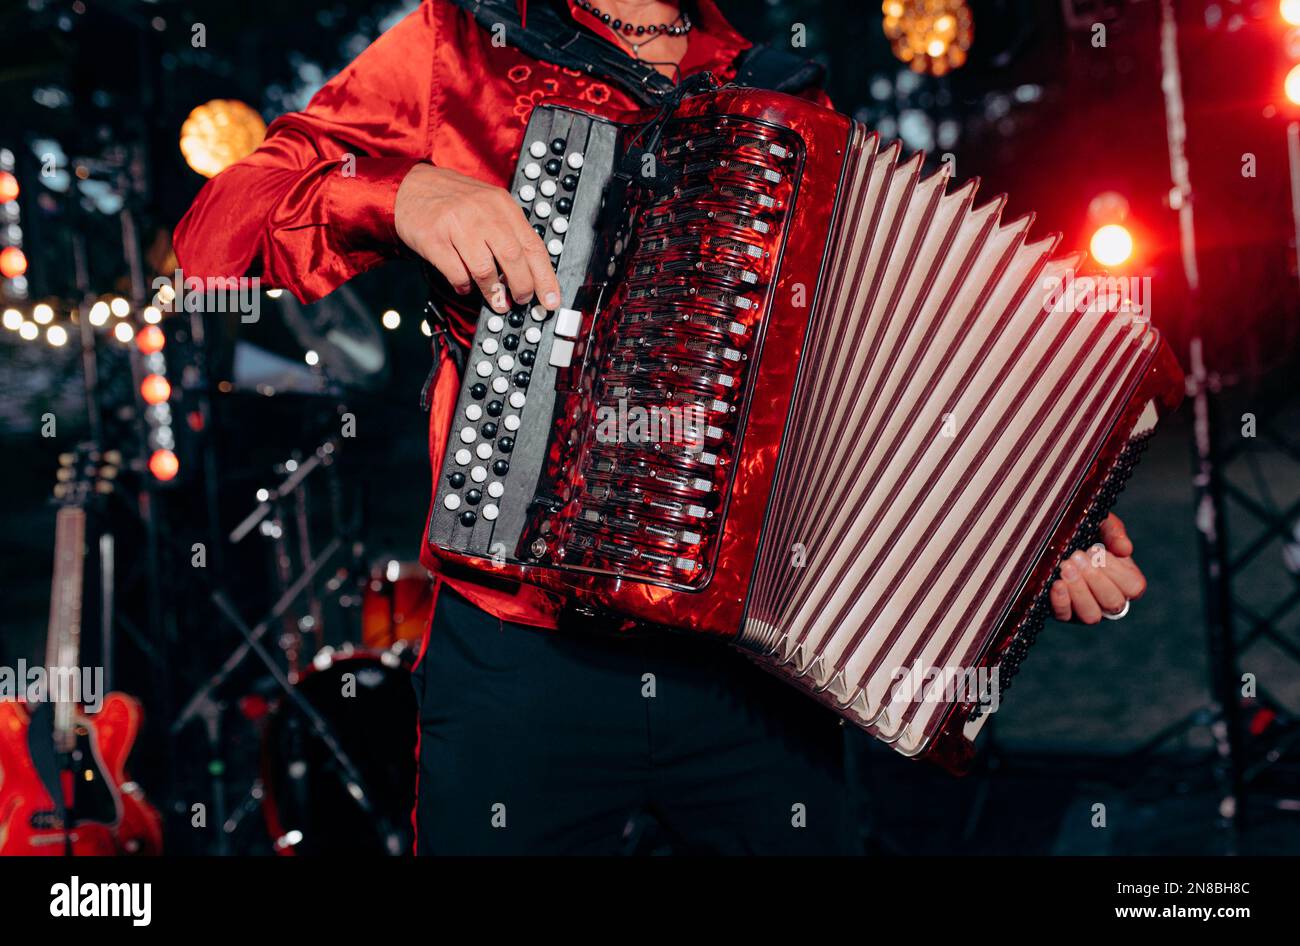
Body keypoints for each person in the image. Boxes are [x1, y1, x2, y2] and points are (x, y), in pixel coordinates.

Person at [174, 0, 1149, 855]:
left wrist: (1023, 532)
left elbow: (861, 392)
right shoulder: (457, 48)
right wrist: (396, 194)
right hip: (523, 657)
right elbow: (214, 238)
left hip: (752, 678)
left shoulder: (780, 96)